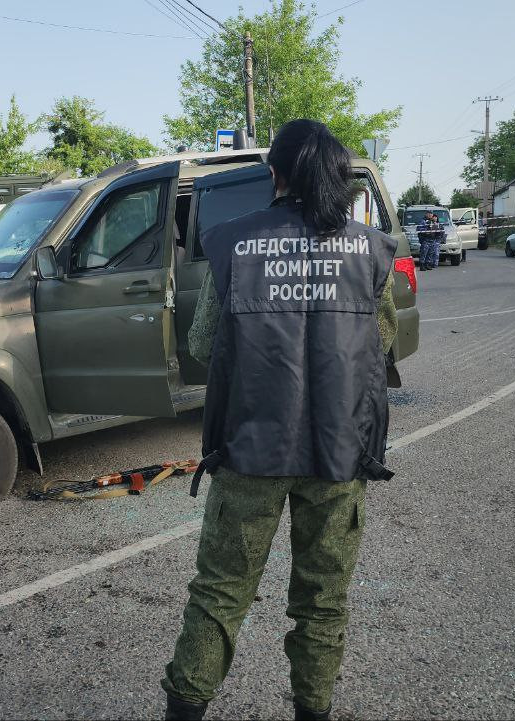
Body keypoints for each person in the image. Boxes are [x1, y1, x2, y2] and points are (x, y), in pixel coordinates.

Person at [162, 119, 399, 721]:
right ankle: (312, 710)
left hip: (250, 449)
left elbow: (202, 341)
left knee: (219, 595)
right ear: (340, 175)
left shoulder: (236, 242)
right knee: (322, 602)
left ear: (276, 173)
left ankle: (187, 707)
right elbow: (383, 338)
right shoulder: (369, 249)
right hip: (338, 451)